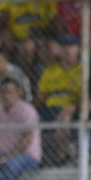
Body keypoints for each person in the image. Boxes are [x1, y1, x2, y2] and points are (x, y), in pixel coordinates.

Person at [34, 34, 81, 166]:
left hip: (71, 109)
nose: (67, 50)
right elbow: (41, 96)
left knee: (65, 119)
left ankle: (61, 157)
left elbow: (85, 97)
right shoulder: (50, 70)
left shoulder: (82, 70)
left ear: (78, 49)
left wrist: (73, 106)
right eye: (64, 46)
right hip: (50, 109)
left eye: (71, 46)